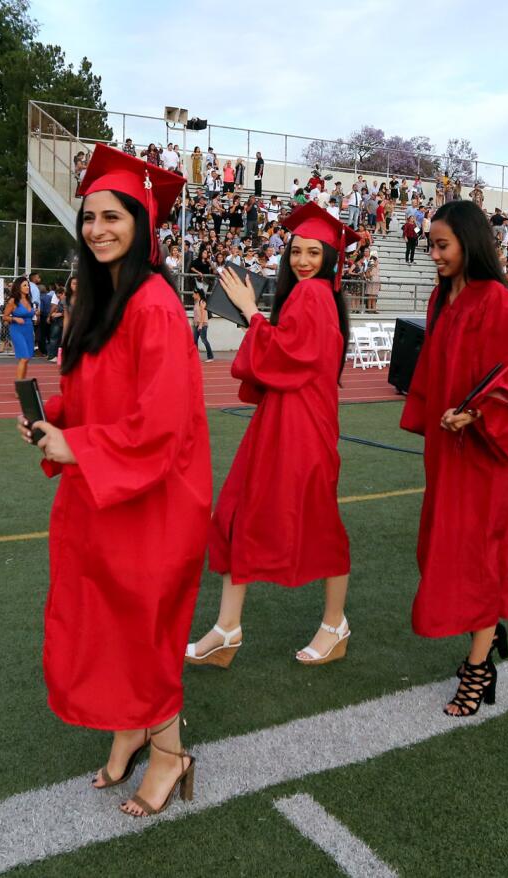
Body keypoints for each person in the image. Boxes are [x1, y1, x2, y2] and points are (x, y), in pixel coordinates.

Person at [18, 143, 208, 819]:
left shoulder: (153, 303)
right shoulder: (98, 298)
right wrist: (57, 421)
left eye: (113, 215)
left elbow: (160, 424)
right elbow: (98, 392)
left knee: (142, 631)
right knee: (107, 622)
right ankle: (131, 727)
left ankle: (170, 754)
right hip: (105, 491)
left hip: (154, 500)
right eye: (89, 216)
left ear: (141, 223)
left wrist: (78, 445)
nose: (97, 227)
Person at [190, 203, 359, 669]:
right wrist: (257, 319)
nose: (302, 261)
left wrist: (250, 312)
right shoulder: (312, 296)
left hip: (301, 430)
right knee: (237, 515)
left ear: (330, 257)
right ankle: (227, 628)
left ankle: (334, 625)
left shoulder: (313, 296)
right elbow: (289, 355)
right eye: (296, 252)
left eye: (313, 252)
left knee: (313, 525)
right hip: (285, 422)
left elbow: (290, 354)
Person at [400, 200, 508, 717]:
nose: (433, 254)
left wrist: (476, 415)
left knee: (477, 556)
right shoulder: (440, 298)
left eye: (442, 245)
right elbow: (432, 369)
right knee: (440, 548)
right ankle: (488, 631)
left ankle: (479, 668)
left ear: (469, 243)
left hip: (483, 456)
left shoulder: (495, 300)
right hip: (446, 452)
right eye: (431, 244)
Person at [3, 277, 36, 381]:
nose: (27, 287)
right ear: (18, 287)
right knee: (24, 357)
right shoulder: (13, 301)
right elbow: (5, 316)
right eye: (24, 285)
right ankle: (19, 386)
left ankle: (23, 385)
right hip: (17, 330)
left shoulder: (29, 300)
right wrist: (15, 318)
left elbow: (30, 315)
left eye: (28, 285)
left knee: (27, 359)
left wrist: (36, 315)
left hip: (29, 330)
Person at [190, 291, 214, 362]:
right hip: (196, 325)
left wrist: (200, 325)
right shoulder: (196, 302)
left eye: (193, 294)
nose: (192, 295)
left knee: (204, 340)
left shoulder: (202, 302)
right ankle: (195, 357)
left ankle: (210, 357)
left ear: (197, 294)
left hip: (202, 325)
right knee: (194, 341)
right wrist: (194, 324)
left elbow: (203, 313)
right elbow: (196, 315)